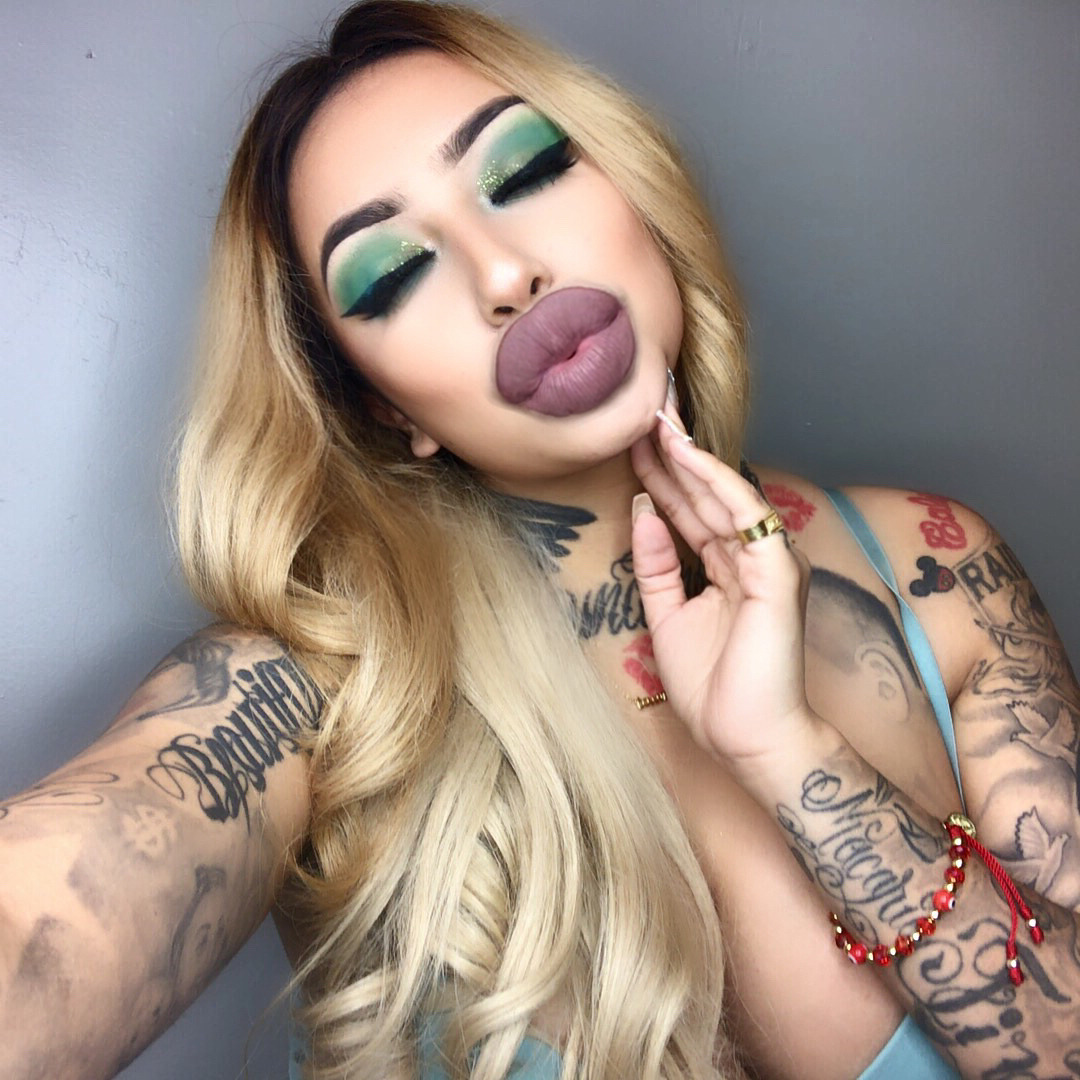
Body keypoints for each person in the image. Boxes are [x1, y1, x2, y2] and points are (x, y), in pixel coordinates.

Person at [1, 2, 1078, 1078]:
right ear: (385, 407)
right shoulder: (324, 693)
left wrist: (790, 755)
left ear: (633, 188)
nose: (504, 274)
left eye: (522, 172)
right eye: (392, 275)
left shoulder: (939, 568)